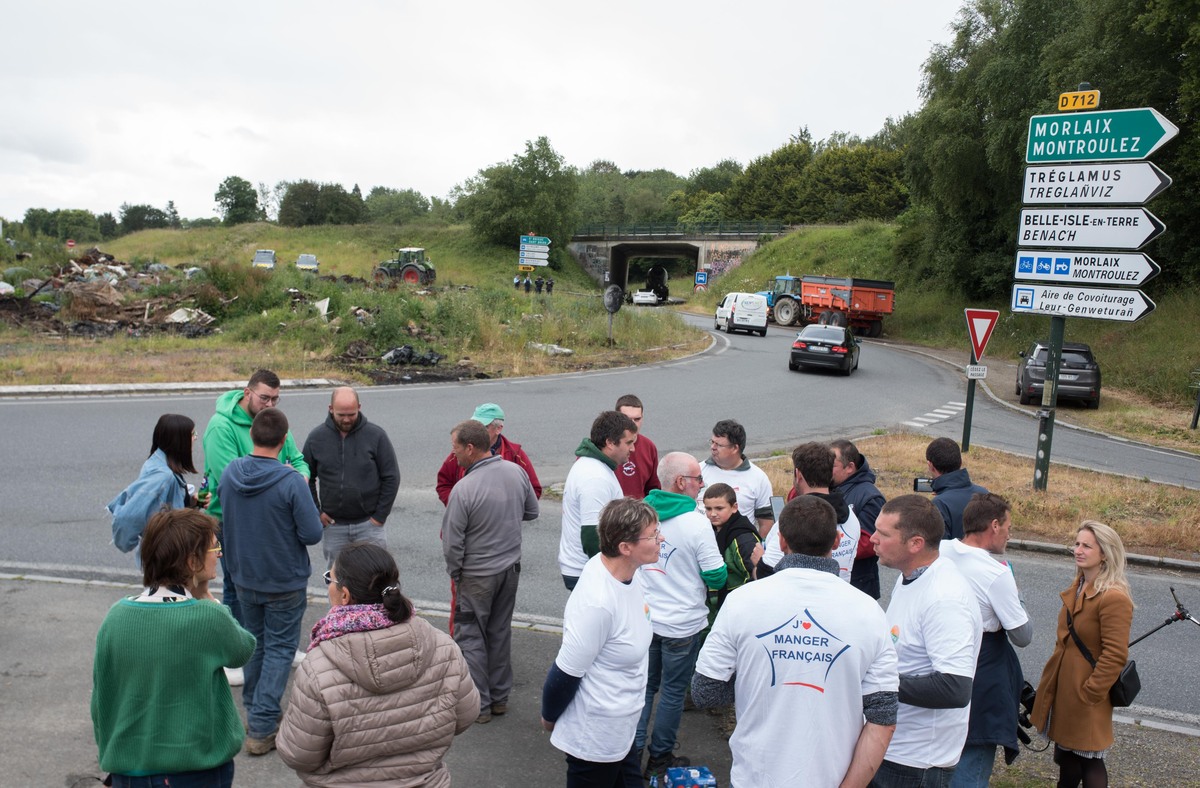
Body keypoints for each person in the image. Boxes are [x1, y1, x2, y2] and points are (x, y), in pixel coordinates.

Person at [692, 496, 899, 786]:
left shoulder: (742, 601)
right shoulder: (869, 611)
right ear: (838, 541)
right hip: (833, 776)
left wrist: (759, 679)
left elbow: (706, 692)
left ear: (782, 541)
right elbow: (883, 716)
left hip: (756, 776)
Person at [277, 543, 479, 786]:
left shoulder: (318, 668)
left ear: (344, 595)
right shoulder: (443, 647)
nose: (328, 584)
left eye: (330, 579)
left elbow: (299, 754)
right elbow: (465, 716)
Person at [92, 508, 255, 788]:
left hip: (128, 771)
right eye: (214, 546)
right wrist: (206, 597)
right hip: (193, 770)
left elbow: (101, 699)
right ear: (192, 562)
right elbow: (243, 649)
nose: (219, 553)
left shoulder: (115, 616)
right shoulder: (207, 617)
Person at [218, 408, 323, 755]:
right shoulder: (290, 480)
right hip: (283, 579)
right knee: (278, 648)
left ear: (252, 436)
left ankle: (256, 712)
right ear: (283, 440)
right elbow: (311, 533)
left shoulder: (232, 472)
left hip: (244, 575)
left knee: (257, 645)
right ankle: (262, 725)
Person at [541, 498, 660, 787]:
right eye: (653, 535)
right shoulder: (598, 603)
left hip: (623, 728)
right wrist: (549, 716)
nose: (661, 539)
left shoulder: (630, 573)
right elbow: (566, 672)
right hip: (595, 738)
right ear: (625, 547)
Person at [870, 494, 982, 786]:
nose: (872, 539)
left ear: (915, 543)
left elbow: (955, 688)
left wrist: (876, 683)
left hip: (916, 761)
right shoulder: (910, 576)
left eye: (883, 534)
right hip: (893, 745)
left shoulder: (945, 598)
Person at [635, 452, 727, 780]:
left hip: (645, 619)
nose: (702, 485)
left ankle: (631, 755)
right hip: (682, 625)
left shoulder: (640, 514)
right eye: (698, 480)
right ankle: (660, 759)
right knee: (672, 693)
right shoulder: (696, 522)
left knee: (644, 689)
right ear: (680, 482)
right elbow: (716, 575)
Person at [442, 419, 539, 723]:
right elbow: (532, 511)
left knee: (470, 636)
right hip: (509, 570)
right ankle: (499, 698)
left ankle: (478, 706)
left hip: (476, 575)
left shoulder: (464, 489)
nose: (454, 454)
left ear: (470, 448)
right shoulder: (516, 472)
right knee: (499, 632)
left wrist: (456, 572)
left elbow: (452, 543)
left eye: (456, 447)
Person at [202, 369, 309, 634]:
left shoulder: (272, 421)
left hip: (271, 518)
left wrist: (300, 478)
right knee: (236, 587)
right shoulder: (220, 426)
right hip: (231, 522)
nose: (269, 405)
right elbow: (235, 481)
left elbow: (298, 461)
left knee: (272, 585)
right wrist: (287, 480)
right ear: (247, 393)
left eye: (275, 399)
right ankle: (236, 647)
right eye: (264, 398)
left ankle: (274, 643)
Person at [1031, 521, 1134, 788]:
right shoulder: (1079, 586)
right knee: (1067, 756)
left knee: (1090, 760)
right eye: (1077, 544)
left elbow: (1115, 654)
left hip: (1087, 695)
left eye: (1087, 545)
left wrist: (1090, 693)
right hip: (1066, 690)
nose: (1078, 550)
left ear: (1105, 553)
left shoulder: (1113, 597)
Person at [941, 493, 1032, 788]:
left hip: (940, 659)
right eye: (1007, 527)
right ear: (994, 525)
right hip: (983, 668)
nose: (1009, 534)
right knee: (973, 757)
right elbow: (1022, 635)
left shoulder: (939, 551)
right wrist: (1016, 594)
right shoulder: (996, 572)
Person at [302, 386, 400, 569]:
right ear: (330, 408)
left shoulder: (376, 436)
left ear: (359, 407)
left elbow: (391, 477)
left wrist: (380, 516)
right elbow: (306, 477)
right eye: (341, 415)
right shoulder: (316, 438)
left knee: (374, 578)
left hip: (369, 526)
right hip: (334, 527)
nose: (346, 419)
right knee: (337, 581)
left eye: (351, 414)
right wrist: (317, 512)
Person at [558, 409, 638, 590]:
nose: (633, 448)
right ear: (610, 442)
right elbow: (592, 536)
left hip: (587, 569)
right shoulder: (595, 477)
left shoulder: (596, 467)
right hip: (588, 572)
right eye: (629, 443)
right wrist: (611, 573)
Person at [108, 413, 204, 556]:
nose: (195, 438)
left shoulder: (158, 462)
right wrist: (129, 544)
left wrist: (191, 502)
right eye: (192, 434)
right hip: (167, 558)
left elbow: (161, 507)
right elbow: (127, 518)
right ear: (178, 440)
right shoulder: (163, 476)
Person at [766, 442, 861, 580]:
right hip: (838, 593)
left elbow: (767, 572)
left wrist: (758, 560)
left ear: (798, 475)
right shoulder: (851, 517)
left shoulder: (794, 518)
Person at [436, 403, 542, 505]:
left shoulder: (516, 454)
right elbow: (444, 484)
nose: (478, 431)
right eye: (475, 426)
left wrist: (508, 511)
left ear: (498, 428)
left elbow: (534, 490)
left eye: (484, 426)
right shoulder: (462, 451)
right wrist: (460, 506)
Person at [700, 419, 774, 537]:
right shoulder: (698, 471)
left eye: (718, 444)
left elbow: (766, 521)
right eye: (712, 442)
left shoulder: (758, 478)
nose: (713, 447)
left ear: (735, 448)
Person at [832, 438, 886, 599]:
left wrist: (826, 545)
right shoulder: (832, 489)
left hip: (859, 585)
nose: (826, 469)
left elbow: (870, 543)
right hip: (836, 583)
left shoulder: (870, 497)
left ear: (850, 467)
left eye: (832, 465)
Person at [702, 482, 765, 619]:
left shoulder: (744, 538)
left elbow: (756, 576)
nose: (712, 514)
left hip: (736, 610)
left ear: (734, 507)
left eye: (719, 508)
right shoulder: (707, 530)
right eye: (708, 509)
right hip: (713, 607)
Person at [925, 437, 988, 541]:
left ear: (930, 465)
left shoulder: (939, 504)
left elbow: (939, 548)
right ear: (960, 462)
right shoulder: (984, 494)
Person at [615, 394, 660, 499]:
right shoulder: (607, 447)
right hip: (612, 513)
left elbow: (653, 489)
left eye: (637, 419)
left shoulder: (649, 447)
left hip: (640, 513)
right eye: (627, 419)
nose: (633, 424)